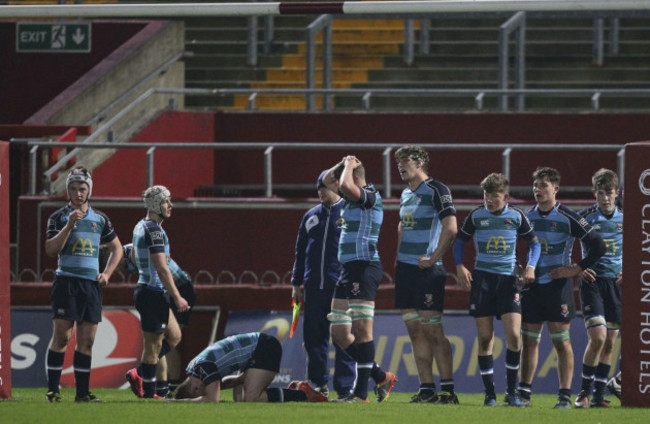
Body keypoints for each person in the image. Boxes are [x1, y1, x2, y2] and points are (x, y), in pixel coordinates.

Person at [520, 167, 606, 409]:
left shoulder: (568, 217)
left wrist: (576, 268)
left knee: (561, 342)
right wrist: (520, 268)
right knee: (530, 342)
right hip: (533, 285)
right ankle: (524, 394)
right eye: (535, 185)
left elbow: (598, 246)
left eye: (543, 185)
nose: (537, 189)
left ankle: (564, 396)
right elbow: (515, 245)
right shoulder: (527, 217)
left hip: (558, 286)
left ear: (555, 189)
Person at [454, 173, 540, 407]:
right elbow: (460, 241)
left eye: (493, 196)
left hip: (508, 281)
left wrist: (530, 267)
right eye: (485, 195)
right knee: (484, 339)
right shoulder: (476, 215)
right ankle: (489, 393)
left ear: (505, 196)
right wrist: (460, 266)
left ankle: (511, 393)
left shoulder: (516, 216)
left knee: (513, 335)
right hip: (483, 280)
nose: (489, 200)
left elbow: (534, 243)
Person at [321, 155, 396, 403]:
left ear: (354, 177)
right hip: (347, 270)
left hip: (364, 268)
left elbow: (342, 184)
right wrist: (342, 163)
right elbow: (325, 180)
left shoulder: (370, 197)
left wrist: (350, 167)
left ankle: (361, 393)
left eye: (347, 175)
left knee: (363, 330)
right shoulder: (350, 198)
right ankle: (380, 375)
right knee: (340, 333)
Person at [44, 166, 123, 402]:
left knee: (87, 341)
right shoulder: (58, 217)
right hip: (67, 282)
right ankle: (53, 391)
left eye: (82, 189)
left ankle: (82, 394)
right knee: (62, 338)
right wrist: (69, 226)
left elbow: (117, 248)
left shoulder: (100, 219)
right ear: (68, 191)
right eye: (74, 189)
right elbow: (50, 250)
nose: (78, 193)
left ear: (89, 191)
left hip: (90, 285)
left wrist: (107, 273)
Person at [393, 145, 459, 404]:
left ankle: (448, 390)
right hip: (406, 271)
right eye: (397, 161)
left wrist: (433, 258)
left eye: (404, 160)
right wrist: (398, 257)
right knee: (414, 331)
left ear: (420, 162)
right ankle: (426, 388)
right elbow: (401, 225)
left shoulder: (437, 190)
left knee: (433, 332)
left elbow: (451, 228)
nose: (399, 165)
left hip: (427, 271)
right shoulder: (405, 194)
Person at [290, 170, 356, 399]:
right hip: (314, 287)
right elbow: (300, 253)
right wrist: (296, 283)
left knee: (342, 337)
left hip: (340, 287)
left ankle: (346, 388)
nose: (321, 194)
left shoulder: (350, 213)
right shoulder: (310, 217)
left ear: (336, 186)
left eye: (324, 189)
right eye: (318, 191)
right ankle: (318, 385)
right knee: (313, 338)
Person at [100, 242, 196, 398]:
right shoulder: (129, 255)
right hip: (161, 292)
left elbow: (161, 273)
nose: (116, 270)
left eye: (114, 266)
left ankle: (153, 381)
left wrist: (177, 297)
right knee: (164, 340)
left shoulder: (135, 251)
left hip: (178, 289)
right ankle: (159, 387)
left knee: (168, 340)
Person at [125, 185, 190, 399]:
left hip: (149, 290)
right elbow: (162, 268)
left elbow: (133, 258)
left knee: (174, 335)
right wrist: (178, 296)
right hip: (153, 292)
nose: (171, 206)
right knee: (153, 347)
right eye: (166, 201)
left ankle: (142, 373)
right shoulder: (154, 230)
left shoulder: (140, 225)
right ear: (155, 204)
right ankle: (149, 391)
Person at [573, 169, 623, 408]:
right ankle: (582, 393)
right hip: (592, 283)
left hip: (616, 284)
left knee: (610, 343)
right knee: (598, 338)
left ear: (617, 193)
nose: (605, 198)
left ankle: (598, 396)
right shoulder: (584, 218)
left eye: (609, 193)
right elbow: (561, 243)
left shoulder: (627, 218)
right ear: (594, 193)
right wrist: (577, 268)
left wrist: (630, 270)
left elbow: (638, 246)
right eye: (601, 193)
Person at [172, 332, 328, 403]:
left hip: (264, 348)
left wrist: (181, 402)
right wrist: (241, 378)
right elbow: (222, 383)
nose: (204, 394)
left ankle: (303, 395)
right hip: (256, 351)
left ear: (194, 389)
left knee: (252, 398)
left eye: (200, 395)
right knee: (239, 399)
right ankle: (297, 392)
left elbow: (213, 400)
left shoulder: (202, 367)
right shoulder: (195, 367)